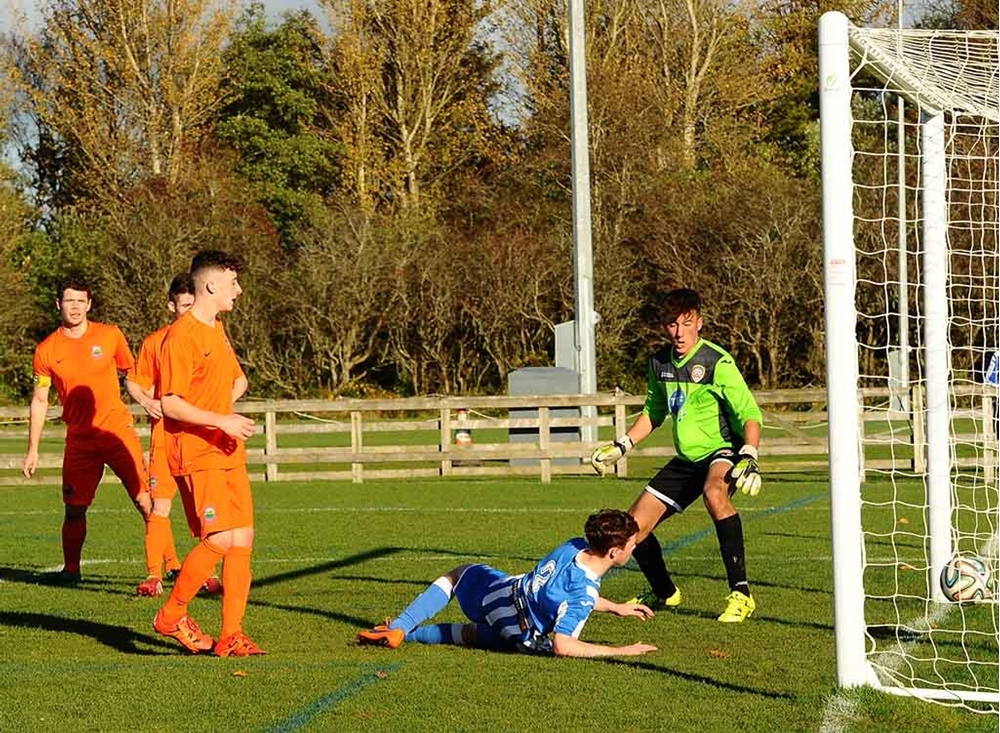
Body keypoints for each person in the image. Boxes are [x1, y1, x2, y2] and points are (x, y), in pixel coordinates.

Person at [590, 288, 763, 623]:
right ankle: (666, 593)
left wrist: (750, 454)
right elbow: (654, 412)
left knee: (715, 493)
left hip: (722, 451)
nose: (680, 332)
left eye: (687, 323)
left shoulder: (717, 362)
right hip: (686, 461)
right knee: (631, 530)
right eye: (672, 324)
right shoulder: (659, 363)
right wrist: (622, 445)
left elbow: (749, 414)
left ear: (699, 322)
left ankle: (741, 594)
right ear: (664, 326)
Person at [151, 250, 262, 657]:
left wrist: (226, 415)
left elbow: (237, 380)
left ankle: (231, 634)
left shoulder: (217, 327)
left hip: (226, 448)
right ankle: (171, 614)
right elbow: (171, 404)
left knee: (243, 538)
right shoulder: (180, 337)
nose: (239, 289)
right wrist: (220, 420)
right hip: (197, 450)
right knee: (219, 538)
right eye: (233, 282)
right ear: (212, 285)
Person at [357, 508, 658, 658]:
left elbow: (563, 592)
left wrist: (615, 607)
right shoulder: (584, 593)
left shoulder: (573, 546)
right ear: (615, 551)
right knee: (471, 635)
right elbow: (563, 644)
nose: (634, 548)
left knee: (459, 574)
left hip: (500, 596)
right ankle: (408, 635)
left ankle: (400, 627)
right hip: (517, 632)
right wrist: (620, 650)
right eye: (632, 544)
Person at [22, 273, 152, 584]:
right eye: (70, 300)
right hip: (80, 442)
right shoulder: (46, 351)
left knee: (145, 500)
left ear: (90, 304)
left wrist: (153, 406)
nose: (76, 306)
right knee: (74, 510)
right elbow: (40, 401)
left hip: (117, 432)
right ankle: (71, 570)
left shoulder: (110, 336)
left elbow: (133, 375)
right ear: (59, 304)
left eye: (82, 300)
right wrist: (33, 449)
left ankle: (168, 566)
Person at [127, 273, 226, 597]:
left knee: (203, 512)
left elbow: (236, 379)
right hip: (165, 438)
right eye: (183, 305)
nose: (188, 310)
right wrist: (145, 400)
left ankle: (205, 574)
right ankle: (154, 576)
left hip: (199, 439)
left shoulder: (212, 336)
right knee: (160, 506)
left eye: (192, 304)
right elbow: (135, 380)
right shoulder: (156, 342)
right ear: (171, 306)